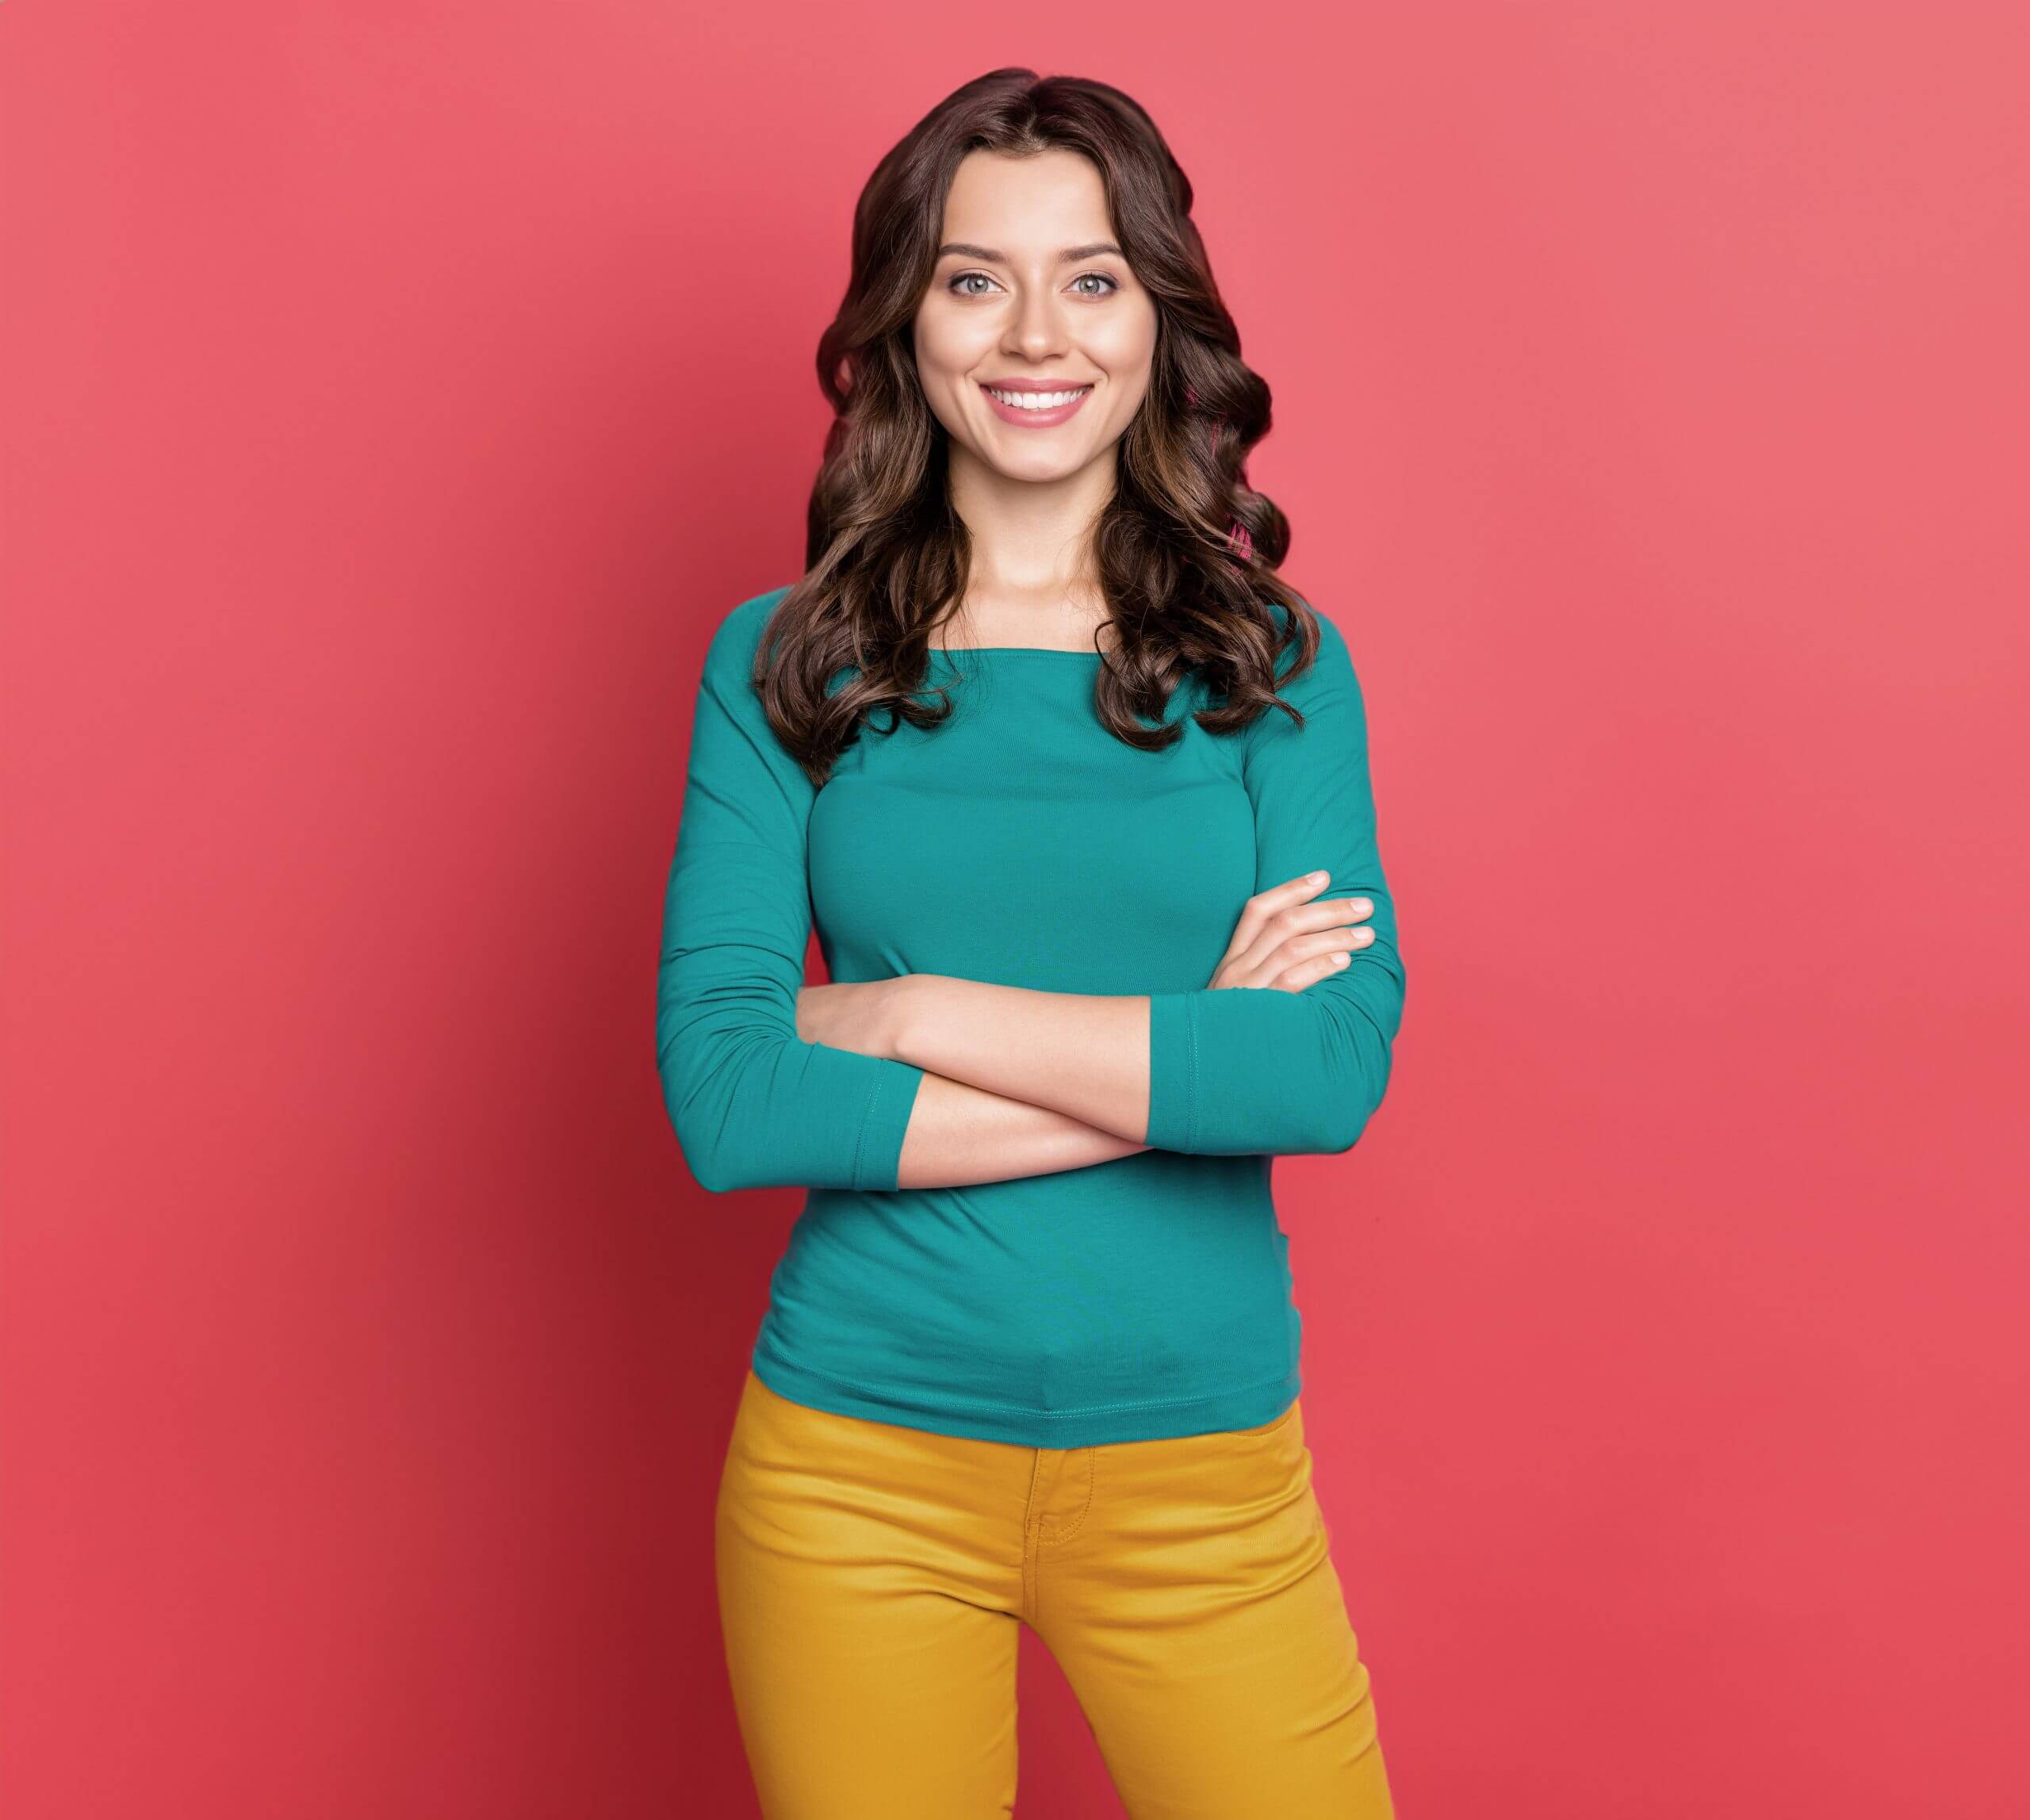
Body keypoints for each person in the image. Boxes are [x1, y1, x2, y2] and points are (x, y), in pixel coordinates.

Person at [657, 67, 1406, 1820]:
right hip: (853, 1471)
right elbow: (727, 1096)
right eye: (972, 276)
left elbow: (1323, 1065)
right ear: (903, 323)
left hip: (1202, 1480)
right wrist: (1179, 1053)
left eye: (1090, 276)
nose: (1031, 331)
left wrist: (901, 1008)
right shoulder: (780, 662)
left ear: (1158, 317)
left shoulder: (1272, 664)